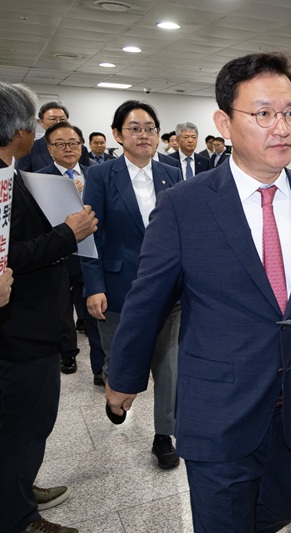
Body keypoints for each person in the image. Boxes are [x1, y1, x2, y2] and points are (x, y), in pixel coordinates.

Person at [104, 52, 291, 532]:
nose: (281, 127)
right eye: (263, 113)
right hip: (220, 410)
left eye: (290, 113)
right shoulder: (185, 205)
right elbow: (148, 300)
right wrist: (123, 378)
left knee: (278, 514)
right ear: (224, 122)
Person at [0, 81, 97, 533]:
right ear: (20, 130)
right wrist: (67, 233)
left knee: (22, 426)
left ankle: (16, 488)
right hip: (21, 328)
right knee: (25, 424)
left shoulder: (14, 173)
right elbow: (9, 257)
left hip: (27, 321)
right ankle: (18, 517)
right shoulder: (4, 182)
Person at [82, 100, 183, 469]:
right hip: (117, 286)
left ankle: (164, 435)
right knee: (118, 357)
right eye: (135, 128)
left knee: (169, 365)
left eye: (151, 128)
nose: (144, 135)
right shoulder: (101, 175)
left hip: (167, 290)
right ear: (117, 134)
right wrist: (93, 285)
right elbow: (88, 234)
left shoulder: (171, 173)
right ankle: (116, 394)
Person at [36, 122, 106, 384]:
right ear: (49, 149)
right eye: (61, 144)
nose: (68, 149)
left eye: (74, 143)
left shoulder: (96, 173)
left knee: (94, 312)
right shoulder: (39, 179)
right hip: (60, 256)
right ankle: (68, 353)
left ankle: (100, 367)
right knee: (63, 312)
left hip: (92, 255)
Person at [15, 101, 95, 172]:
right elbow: (21, 179)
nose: (58, 122)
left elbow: (87, 176)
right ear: (41, 123)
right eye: (53, 119)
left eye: (62, 119)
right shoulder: (29, 148)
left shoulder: (81, 149)